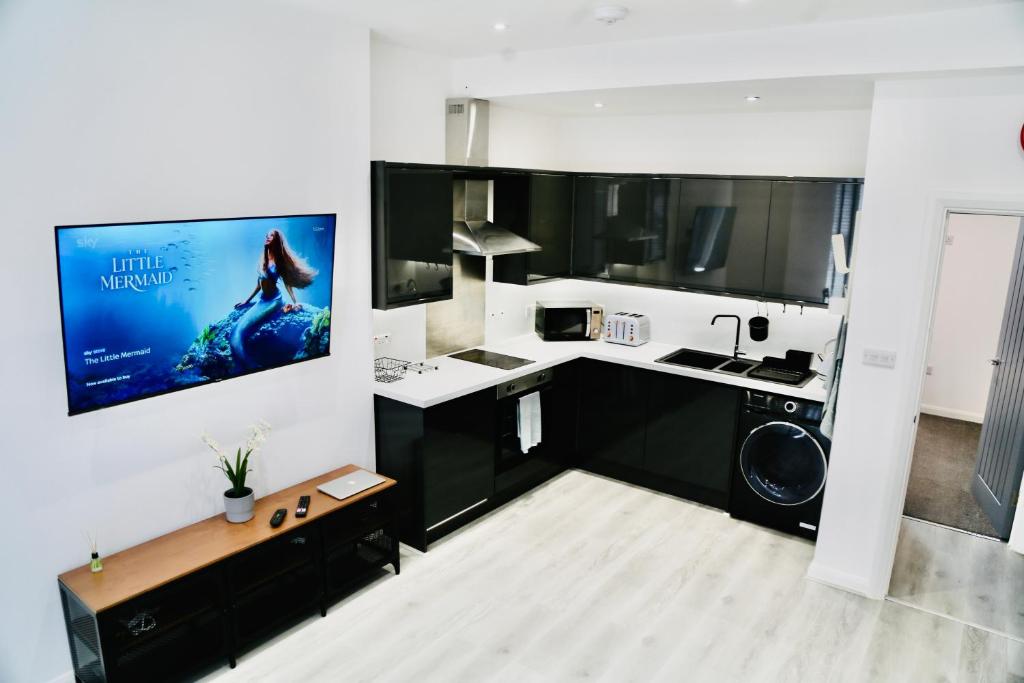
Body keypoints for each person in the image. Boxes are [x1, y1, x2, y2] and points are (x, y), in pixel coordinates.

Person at [230, 230, 317, 368]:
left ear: (276, 240)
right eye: (267, 235)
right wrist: (246, 301)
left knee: (238, 333)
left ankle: (251, 366)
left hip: (274, 301)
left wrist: (295, 302)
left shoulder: (279, 260)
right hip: (262, 299)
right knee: (235, 331)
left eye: (271, 236)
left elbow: (288, 284)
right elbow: (259, 284)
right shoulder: (264, 257)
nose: (267, 237)